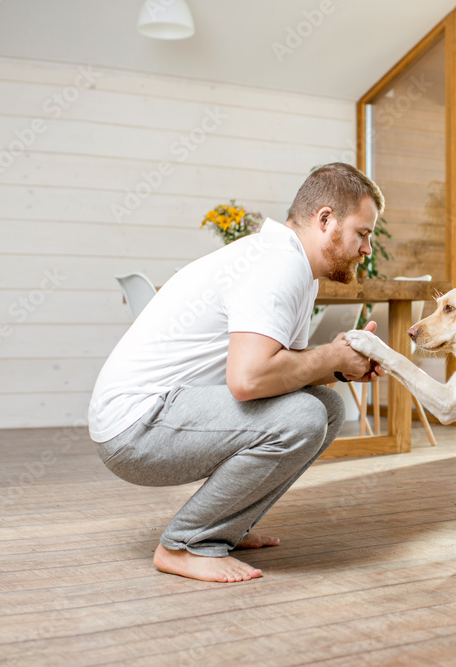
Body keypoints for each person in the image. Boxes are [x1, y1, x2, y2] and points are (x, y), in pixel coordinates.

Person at [88, 163, 385, 583]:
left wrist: (341, 367)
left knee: (327, 408)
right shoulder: (277, 264)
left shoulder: (293, 267)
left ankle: (224, 526)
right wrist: (330, 357)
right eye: (363, 233)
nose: (367, 248)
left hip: (159, 415)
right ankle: (186, 543)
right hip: (136, 426)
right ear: (325, 220)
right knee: (304, 417)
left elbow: (286, 372)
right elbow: (248, 381)